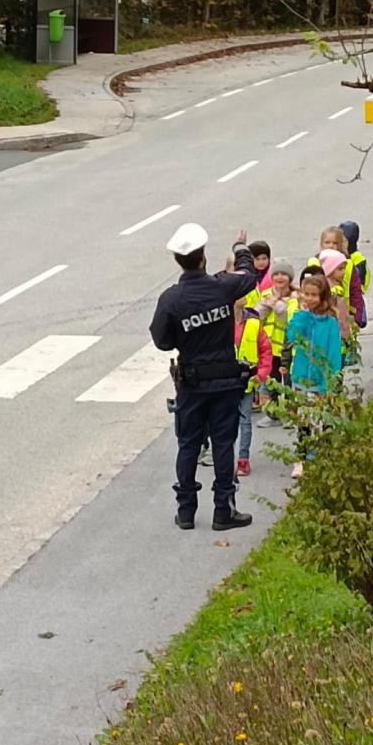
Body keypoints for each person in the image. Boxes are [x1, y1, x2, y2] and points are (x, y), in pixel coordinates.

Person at [150, 223, 258, 531]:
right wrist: (240, 248)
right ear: (203, 256)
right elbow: (249, 275)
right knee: (223, 445)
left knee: (188, 445)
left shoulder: (171, 299)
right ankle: (224, 511)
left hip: (191, 384)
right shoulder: (223, 286)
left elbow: (162, 341)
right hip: (225, 382)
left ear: (177, 260)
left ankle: (186, 512)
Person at [285, 272, 343, 479]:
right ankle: (301, 459)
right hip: (301, 378)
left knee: (321, 422)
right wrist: (301, 314)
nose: (309, 298)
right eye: (306, 294)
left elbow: (334, 355)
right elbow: (292, 337)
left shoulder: (329, 323)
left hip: (320, 381)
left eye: (313, 295)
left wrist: (330, 384)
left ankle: (321, 458)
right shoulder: (301, 317)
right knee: (303, 421)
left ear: (322, 297)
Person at [255, 258, 297, 420]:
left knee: (288, 383)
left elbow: (290, 318)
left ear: (290, 278)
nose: (280, 277)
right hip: (270, 348)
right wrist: (267, 304)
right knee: (272, 383)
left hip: (287, 349)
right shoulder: (266, 295)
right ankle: (273, 414)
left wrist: (277, 305)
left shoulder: (295, 297)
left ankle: (291, 413)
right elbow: (257, 316)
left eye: (284, 274)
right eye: (276, 274)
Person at [234, 301, 272, 476]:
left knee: (245, 421)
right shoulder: (219, 324)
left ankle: (243, 459)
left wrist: (262, 373)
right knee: (224, 423)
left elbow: (265, 350)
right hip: (224, 383)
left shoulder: (254, 323)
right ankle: (224, 457)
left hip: (247, 382)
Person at [243, 239, 273, 308]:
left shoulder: (274, 276)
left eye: (264, 258)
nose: (261, 262)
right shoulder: (245, 277)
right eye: (257, 259)